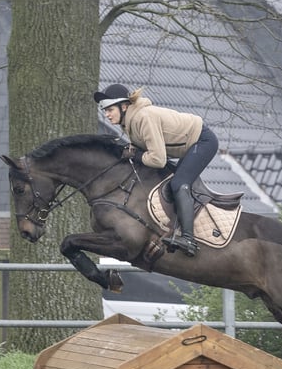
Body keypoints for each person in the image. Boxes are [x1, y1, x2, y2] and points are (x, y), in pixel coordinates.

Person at [93, 83, 219, 257]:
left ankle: (189, 239)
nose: (106, 114)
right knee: (168, 183)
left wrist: (135, 156)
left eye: (110, 109)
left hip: (203, 142)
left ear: (124, 106)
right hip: (190, 145)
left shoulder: (143, 117)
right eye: (104, 110)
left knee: (179, 184)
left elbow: (158, 160)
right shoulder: (129, 121)